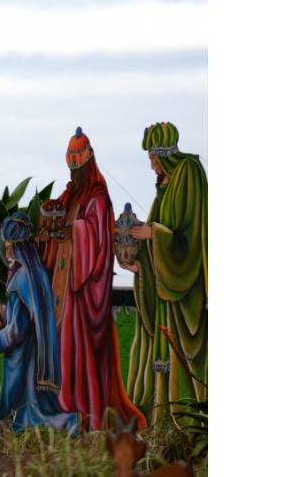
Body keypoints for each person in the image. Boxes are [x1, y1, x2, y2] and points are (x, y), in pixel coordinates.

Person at [42, 127, 146, 431]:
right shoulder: (71, 193)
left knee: (81, 350)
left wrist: (71, 228)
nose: (74, 171)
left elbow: (96, 238)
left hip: (84, 292)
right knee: (63, 348)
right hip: (66, 287)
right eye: (71, 164)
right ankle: (65, 408)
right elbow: (60, 216)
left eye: (78, 164)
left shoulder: (98, 197)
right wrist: (53, 209)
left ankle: (85, 411)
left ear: (87, 163)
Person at [121, 122, 207, 421]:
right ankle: (162, 423)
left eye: (152, 158)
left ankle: (184, 423)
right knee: (161, 357)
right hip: (164, 290)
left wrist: (153, 234)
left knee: (181, 356)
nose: (151, 166)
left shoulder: (189, 173)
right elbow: (154, 229)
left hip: (184, 289)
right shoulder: (167, 183)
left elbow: (190, 236)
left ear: (163, 154)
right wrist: (139, 263)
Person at [0, 213, 77, 433]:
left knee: (25, 409)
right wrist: (4, 311)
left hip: (22, 357)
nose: (6, 252)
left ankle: (68, 423)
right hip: (33, 351)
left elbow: (16, 331)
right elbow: (25, 313)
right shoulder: (34, 272)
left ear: (18, 247)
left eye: (9, 246)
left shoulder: (20, 278)